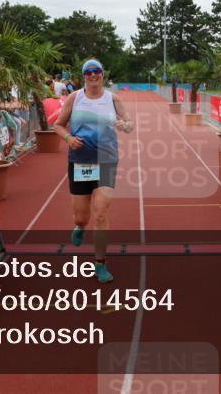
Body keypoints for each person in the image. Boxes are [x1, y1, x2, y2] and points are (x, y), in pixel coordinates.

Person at [52, 59, 133, 283]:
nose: (93, 75)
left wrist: (125, 125)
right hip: (81, 162)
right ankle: (79, 226)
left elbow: (129, 124)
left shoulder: (113, 99)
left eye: (97, 71)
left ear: (103, 74)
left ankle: (100, 264)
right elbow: (57, 125)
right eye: (89, 72)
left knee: (101, 213)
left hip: (107, 161)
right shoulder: (74, 98)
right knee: (83, 216)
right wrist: (68, 138)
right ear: (83, 76)